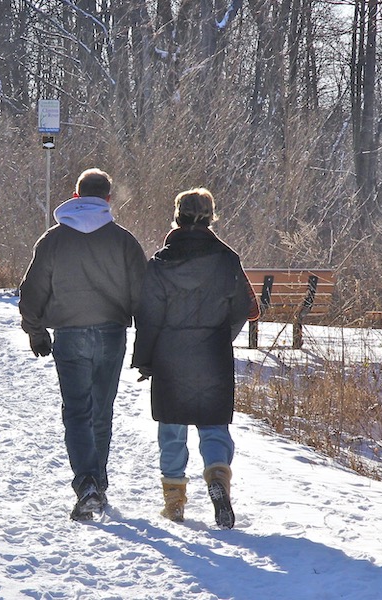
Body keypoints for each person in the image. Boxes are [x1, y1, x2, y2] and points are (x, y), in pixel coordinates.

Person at [19, 168, 147, 521]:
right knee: (101, 411)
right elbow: (143, 293)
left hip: (70, 334)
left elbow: (32, 290)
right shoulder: (123, 241)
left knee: (76, 411)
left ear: (76, 197)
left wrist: (35, 328)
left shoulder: (53, 240)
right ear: (107, 199)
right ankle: (98, 483)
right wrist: (147, 343)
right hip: (110, 332)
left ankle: (86, 483)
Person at [132, 187, 259, 529]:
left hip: (170, 356)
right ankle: (218, 477)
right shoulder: (227, 259)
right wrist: (220, 338)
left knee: (172, 429)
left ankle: (174, 501)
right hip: (212, 354)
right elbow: (243, 309)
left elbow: (147, 316)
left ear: (178, 216)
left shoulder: (159, 262)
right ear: (211, 217)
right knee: (214, 425)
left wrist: (145, 359)